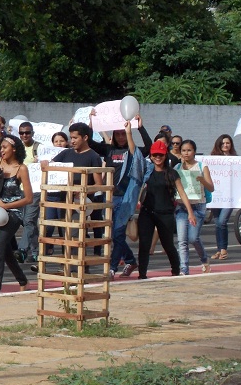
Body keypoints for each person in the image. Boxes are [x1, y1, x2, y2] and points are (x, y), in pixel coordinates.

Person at [88, 113, 152, 278]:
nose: (121, 137)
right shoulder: (109, 150)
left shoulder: (135, 152)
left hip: (126, 198)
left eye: (124, 134)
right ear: (114, 135)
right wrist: (92, 123)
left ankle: (112, 268)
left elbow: (149, 147)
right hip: (109, 197)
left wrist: (140, 127)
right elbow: (90, 143)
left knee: (117, 234)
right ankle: (130, 260)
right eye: (118, 134)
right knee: (113, 235)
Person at [128, 135, 196, 279]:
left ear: (165, 155)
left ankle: (176, 270)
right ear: (151, 156)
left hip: (165, 214)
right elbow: (134, 152)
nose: (158, 157)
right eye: (155, 155)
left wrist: (190, 213)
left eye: (161, 155)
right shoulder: (146, 171)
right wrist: (130, 132)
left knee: (168, 245)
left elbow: (182, 193)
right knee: (144, 245)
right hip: (147, 212)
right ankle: (142, 274)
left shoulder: (172, 173)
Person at [40, 122, 103, 271]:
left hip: (79, 203)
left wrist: (82, 191)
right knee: (63, 235)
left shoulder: (93, 156)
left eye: (75, 138)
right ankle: (66, 266)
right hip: (62, 201)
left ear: (85, 138)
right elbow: (52, 168)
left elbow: (99, 185)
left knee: (75, 235)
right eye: (71, 137)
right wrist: (44, 164)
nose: (72, 141)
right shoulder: (66, 153)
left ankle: (77, 271)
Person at [0, 132, 33, 294]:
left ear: (14, 149)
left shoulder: (21, 169)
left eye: (4, 147)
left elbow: (28, 198)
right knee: (5, 251)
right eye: (1, 147)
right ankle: (23, 280)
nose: (1, 150)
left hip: (13, 214)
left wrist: (6, 206)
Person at [174, 140, 214, 275]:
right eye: (183, 150)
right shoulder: (177, 168)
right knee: (182, 240)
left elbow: (211, 188)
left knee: (193, 238)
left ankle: (204, 259)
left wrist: (202, 180)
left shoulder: (202, 166)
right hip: (181, 206)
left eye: (189, 150)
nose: (186, 153)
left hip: (197, 206)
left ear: (194, 151)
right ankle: (184, 269)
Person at [209, 134, 237, 260]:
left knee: (222, 222)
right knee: (217, 223)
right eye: (223, 143)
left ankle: (224, 249)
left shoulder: (236, 159)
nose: (225, 145)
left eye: (228, 143)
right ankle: (219, 250)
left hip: (229, 196)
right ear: (219, 145)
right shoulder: (212, 159)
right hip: (216, 196)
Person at [16, 122, 41, 263]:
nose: (24, 135)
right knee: (26, 222)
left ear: (32, 133)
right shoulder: (16, 148)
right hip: (19, 190)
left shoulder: (38, 148)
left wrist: (40, 162)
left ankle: (22, 250)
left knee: (29, 220)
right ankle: (35, 251)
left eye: (27, 132)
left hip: (35, 190)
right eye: (21, 133)